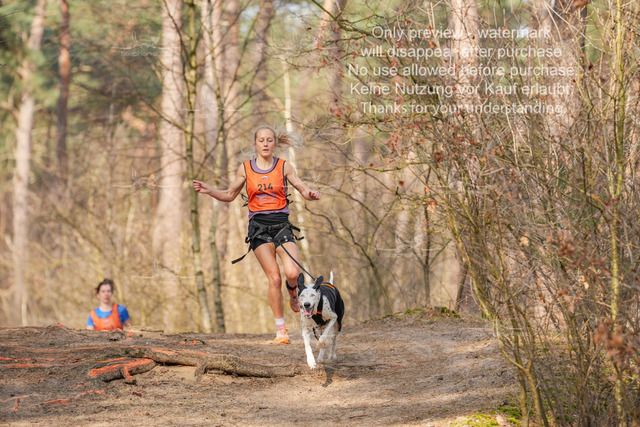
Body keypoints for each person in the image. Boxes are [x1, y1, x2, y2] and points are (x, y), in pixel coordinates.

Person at [193, 125, 320, 344]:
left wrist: (310, 194)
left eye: (269, 140)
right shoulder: (245, 168)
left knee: (292, 273)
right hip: (259, 229)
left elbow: (302, 189)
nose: (265, 144)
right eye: (261, 140)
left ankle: (293, 290)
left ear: (275, 143)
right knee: (275, 278)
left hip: (281, 225)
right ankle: (281, 330)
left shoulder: (284, 166)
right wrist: (209, 190)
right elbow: (230, 194)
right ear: (255, 144)